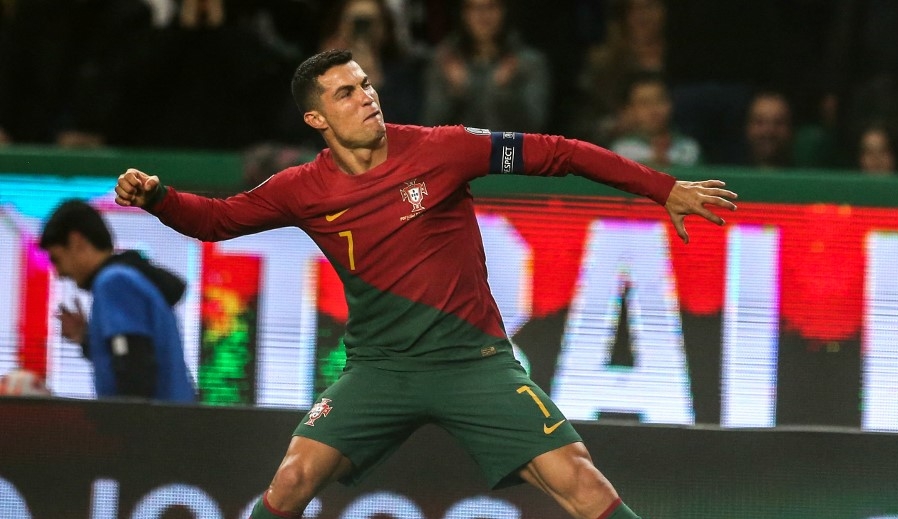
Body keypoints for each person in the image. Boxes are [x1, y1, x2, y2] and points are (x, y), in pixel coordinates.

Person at [114, 49, 737, 519]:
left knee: (582, 483)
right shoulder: (301, 189)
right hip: (381, 370)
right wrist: (159, 198)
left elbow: (561, 152)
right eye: (345, 93)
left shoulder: (443, 150)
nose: (367, 97)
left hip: (474, 363)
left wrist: (664, 189)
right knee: (291, 482)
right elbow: (217, 220)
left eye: (366, 84)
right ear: (316, 117)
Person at [39, 199, 196, 402]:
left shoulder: (113, 283)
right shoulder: (130, 279)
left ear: (77, 241)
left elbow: (134, 374)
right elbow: (131, 356)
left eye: (57, 259)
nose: (59, 273)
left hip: (152, 430)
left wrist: (118, 431)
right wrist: (87, 339)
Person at [421, 0, 551, 132]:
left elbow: (535, 125)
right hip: (459, 151)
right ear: (462, 13)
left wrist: (502, 93)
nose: (482, 15)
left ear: (505, 10)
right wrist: (455, 93)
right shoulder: (445, 61)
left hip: (509, 150)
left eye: (491, 7)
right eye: (474, 8)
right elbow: (430, 127)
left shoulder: (528, 62)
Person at [610, 71, 701, 170]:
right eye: (644, 103)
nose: (654, 110)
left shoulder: (689, 148)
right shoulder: (621, 150)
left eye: (660, 100)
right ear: (630, 110)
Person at [742, 90, 794, 169]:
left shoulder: (806, 172)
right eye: (759, 122)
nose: (768, 131)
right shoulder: (724, 175)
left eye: (778, 122)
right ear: (747, 126)